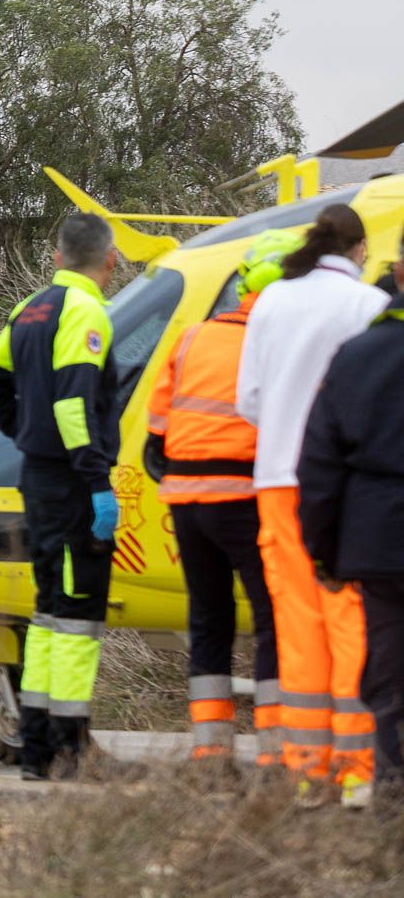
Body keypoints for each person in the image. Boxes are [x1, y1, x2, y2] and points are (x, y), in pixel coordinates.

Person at [237, 203, 388, 808]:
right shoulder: (367, 306)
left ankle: (306, 769)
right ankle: (357, 770)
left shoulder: (272, 300)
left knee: (296, 623)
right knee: (351, 619)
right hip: (345, 487)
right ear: (360, 249)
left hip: (278, 481)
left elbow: (249, 400)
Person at [0, 213, 127, 782]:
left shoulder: (29, 309)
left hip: (39, 479)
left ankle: (38, 748)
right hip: (71, 485)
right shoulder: (86, 311)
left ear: (58, 257)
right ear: (110, 259)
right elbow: (73, 404)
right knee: (78, 617)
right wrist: (95, 481)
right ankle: (70, 747)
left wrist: (26, 435)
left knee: (46, 613)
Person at [144, 229, 301, 770]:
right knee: (273, 618)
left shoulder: (194, 337)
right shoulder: (283, 343)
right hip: (246, 497)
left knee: (209, 619)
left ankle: (211, 751)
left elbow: (157, 430)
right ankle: (276, 751)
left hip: (187, 501)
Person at [298, 240, 404, 813]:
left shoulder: (358, 356)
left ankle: (391, 795)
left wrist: (323, 551)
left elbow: (320, 465)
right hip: (379, 537)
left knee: (389, 669)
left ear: (399, 273)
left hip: (381, 541)